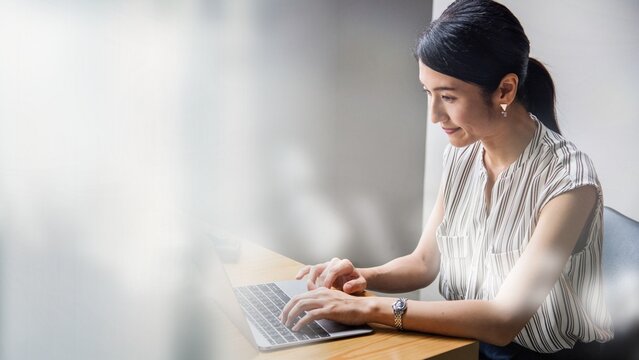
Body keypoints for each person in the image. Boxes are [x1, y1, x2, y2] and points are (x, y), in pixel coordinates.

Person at [279, 0, 613, 358]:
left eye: (448, 97)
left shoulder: (568, 181)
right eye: (428, 93)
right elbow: (424, 264)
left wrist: (367, 309)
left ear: (504, 91)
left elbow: (504, 319)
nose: (435, 115)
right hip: (467, 341)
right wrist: (357, 277)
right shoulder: (462, 152)